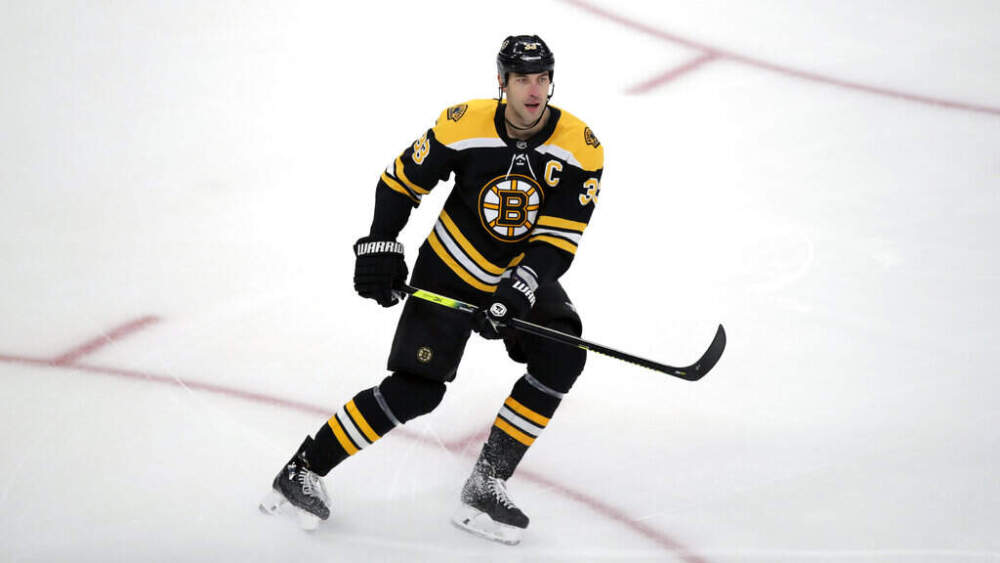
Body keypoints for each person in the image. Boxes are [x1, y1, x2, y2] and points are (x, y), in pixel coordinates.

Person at [259, 34, 604, 545]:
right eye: (522, 79)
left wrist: (520, 287)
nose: (534, 90)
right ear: (502, 83)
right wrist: (380, 244)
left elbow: (558, 239)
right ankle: (301, 471)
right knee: (416, 391)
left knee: (562, 356)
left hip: (517, 274)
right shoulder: (463, 124)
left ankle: (488, 482)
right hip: (450, 268)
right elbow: (399, 183)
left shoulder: (581, 145)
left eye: (542, 78)